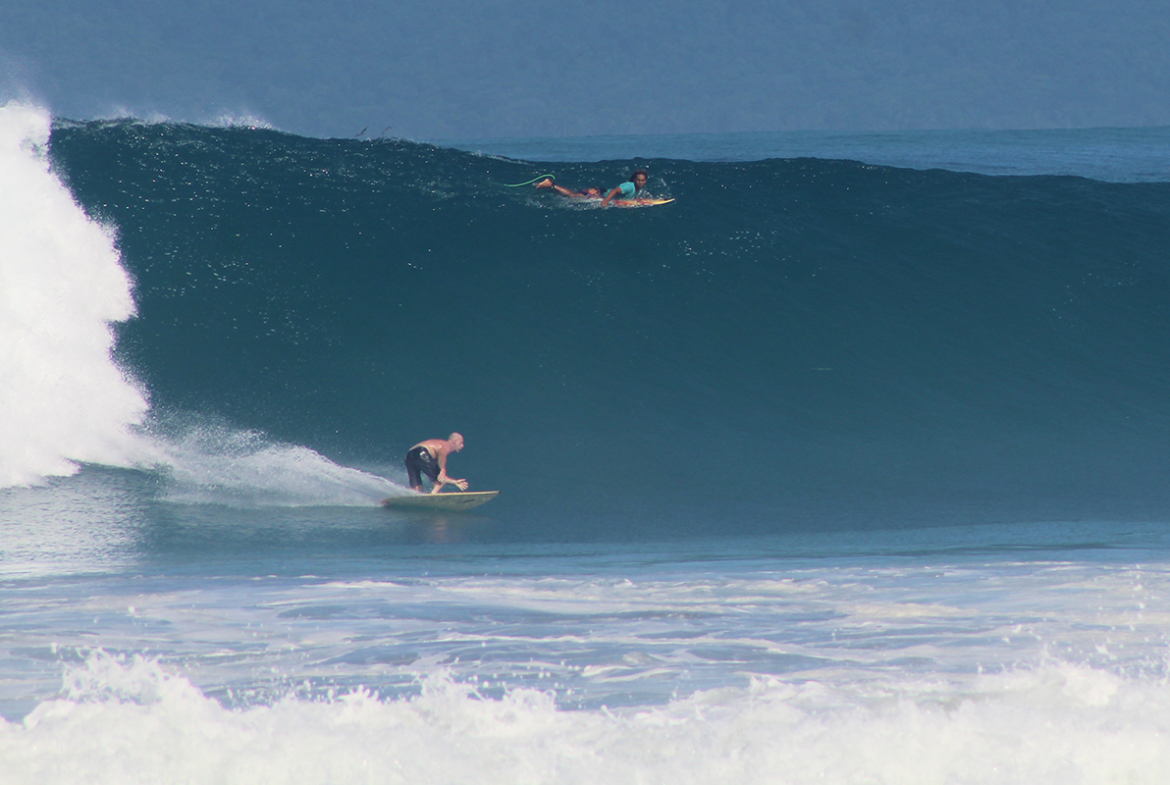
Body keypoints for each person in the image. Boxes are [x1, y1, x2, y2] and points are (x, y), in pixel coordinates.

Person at [404, 433, 469, 493]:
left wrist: (454, 482)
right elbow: (442, 456)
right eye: (461, 443)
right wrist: (443, 470)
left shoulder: (437, 446)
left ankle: (416, 495)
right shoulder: (447, 445)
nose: (462, 445)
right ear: (455, 441)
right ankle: (433, 495)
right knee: (441, 478)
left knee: (417, 482)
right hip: (422, 452)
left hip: (409, 455)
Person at [534, 178, 602, 199]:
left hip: (596, 192)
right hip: (596, 192)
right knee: (573, 195)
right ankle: (550, 184)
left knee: (571, 194)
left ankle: (546, 184)